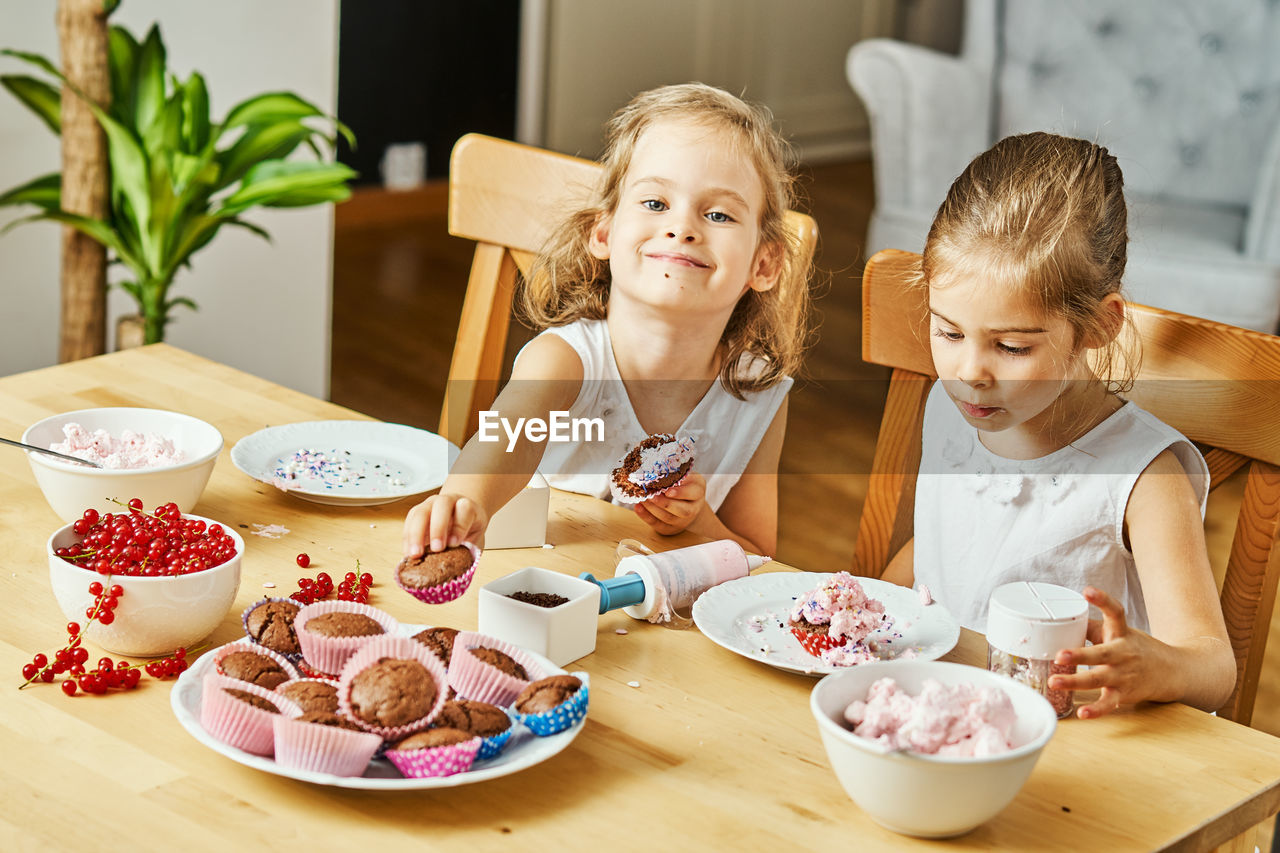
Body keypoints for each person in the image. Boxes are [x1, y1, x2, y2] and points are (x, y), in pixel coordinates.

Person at [881, 132, 1234, 718]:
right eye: (947, 332)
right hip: (938, 712)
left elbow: (1214, 669)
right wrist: (879, 607)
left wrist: (1155, 665)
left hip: (1077, 745)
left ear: (1098, 325)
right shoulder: (951, 408)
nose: (969, 371)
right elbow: (943, 544)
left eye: (1012, 346)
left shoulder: (1144, 478)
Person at [403, 83, 813, 561]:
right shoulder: (563, 361)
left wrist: (697, 521)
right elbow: (505, 435)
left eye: (719, 213)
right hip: (536, 597)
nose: (682, 228)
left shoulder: (756, 393)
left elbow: (757, 557)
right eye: (655, 204)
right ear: (603, 231)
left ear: (764, 264)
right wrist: (465, 500)